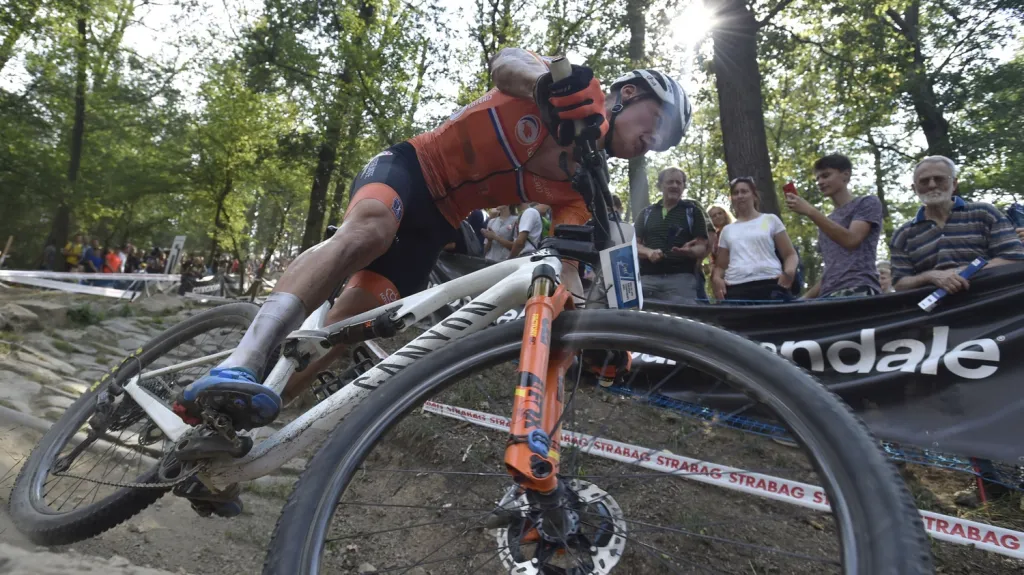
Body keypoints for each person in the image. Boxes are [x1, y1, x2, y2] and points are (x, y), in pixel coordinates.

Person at [173, 47, 693, 485]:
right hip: (412, 169)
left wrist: (593, 338)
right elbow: (506, 63)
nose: (658, 140)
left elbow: (571, 277)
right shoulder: (569, 85)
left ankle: (228, 429)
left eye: (668, 142)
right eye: (660, 122)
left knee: (348, 329)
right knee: (370, 230)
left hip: (441, 221)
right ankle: (240, 360)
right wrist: (545, 88)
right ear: (629, 94)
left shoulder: (583, 183)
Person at [890, 156, 1024, 292]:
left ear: (954, 184)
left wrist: (963, 271)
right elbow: (899, 284)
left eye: (939, 179)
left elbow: (1015, 258)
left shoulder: (984, 213)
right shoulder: (903, 235)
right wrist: (931, 276)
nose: (932, 185)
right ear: (914, 188)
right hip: (939, 310)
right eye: (924, 181)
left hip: (992, 300)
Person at [785, 154, 884, 299]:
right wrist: (801, 301)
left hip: (859, 288)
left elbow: (851, 240)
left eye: (825, 176)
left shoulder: (866, 203)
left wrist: (810, 211)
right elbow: (831, 271)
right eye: (817, 178)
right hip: (828, 295)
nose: (820, 182)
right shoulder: (827, 221)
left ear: (846, 175)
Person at [712, 177, 799, 302]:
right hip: (736, 289)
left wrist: (789, 273)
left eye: (744, 191)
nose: (740, 195)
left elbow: (790, 254)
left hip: (771, 284)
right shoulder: (727, 230)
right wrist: (717, 279)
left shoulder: (769, 220)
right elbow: (720, 266)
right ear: (731, 199)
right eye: (736, 193)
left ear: (754, 195)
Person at [634, 167, 708, 303]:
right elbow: (633, 245)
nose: (675, 186)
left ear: (684, 186)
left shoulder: (692, 211)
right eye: (670, 182)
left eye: (679, 183)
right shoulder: (646, 213)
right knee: (645, 321)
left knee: (683, 320)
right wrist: (649, 252)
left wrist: (689, 251)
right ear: (660, 185)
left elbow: (702, 247)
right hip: (648, 280)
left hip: (681, 280)